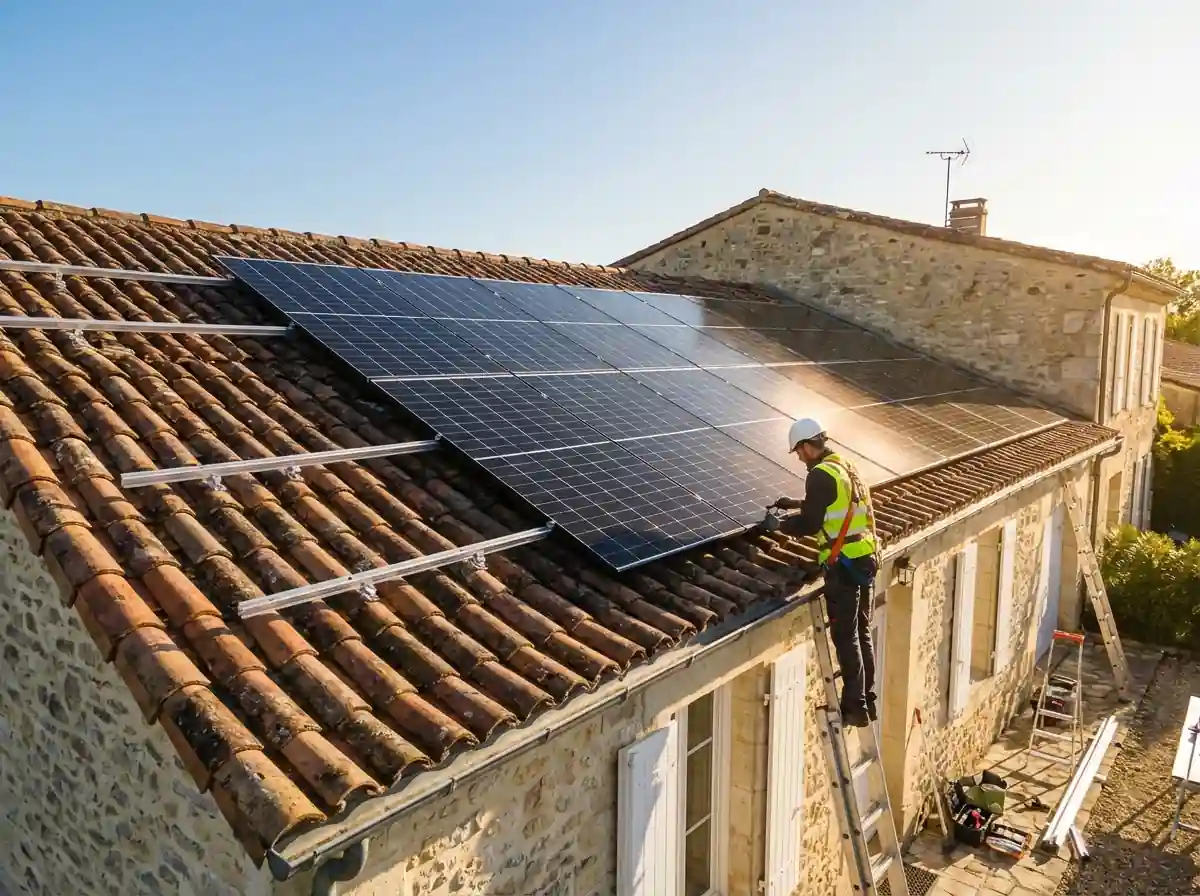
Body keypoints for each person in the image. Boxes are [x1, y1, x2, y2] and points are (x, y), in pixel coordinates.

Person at [763, 417, 880, 728]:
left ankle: (854, 706)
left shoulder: (818, 475)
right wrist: (796, 503)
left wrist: (780, 526)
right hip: (865, 557)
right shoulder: (844, 466)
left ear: (808, 446)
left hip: (843, 565)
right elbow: (830, 503)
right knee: (862, 631)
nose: (798, 458)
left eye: (798, 451)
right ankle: (867, 699)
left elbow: (811, 524)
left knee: (845, 635)